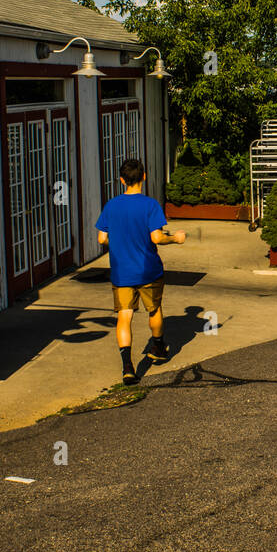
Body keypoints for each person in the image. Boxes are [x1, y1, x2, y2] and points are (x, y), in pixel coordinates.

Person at [95, 159, 185, 384]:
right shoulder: (150, 205)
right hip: (148, 270)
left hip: (121, 271)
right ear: (144, 177)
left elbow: (102, 238)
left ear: (121, 180)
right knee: (154, 310)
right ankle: (157, 346)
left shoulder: (112, 205)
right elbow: (157, 237)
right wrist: (175, 238)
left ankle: (127, 366)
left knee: (124, 316)